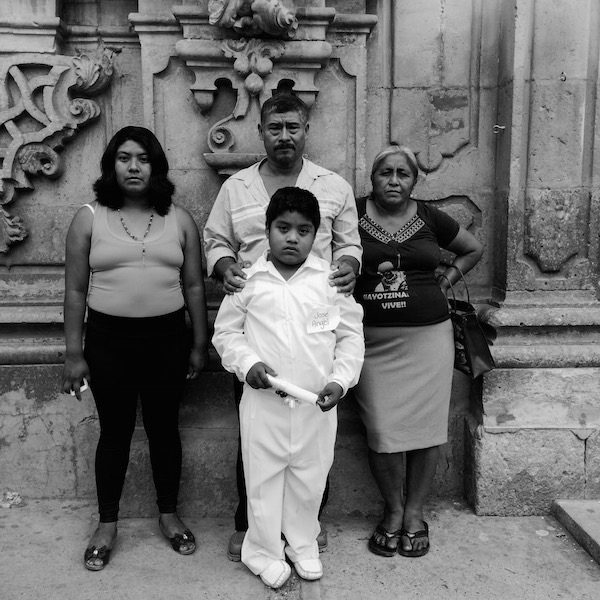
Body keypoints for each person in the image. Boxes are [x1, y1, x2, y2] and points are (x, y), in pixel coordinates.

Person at [203, 92, 362, 560]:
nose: (285, 136)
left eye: (293, 127)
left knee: (315, 439)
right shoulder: (236, 187)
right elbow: (215, 239)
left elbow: (350, 243)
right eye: (276, 128)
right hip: (260, 319)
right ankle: (251, 527)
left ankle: (305, 528)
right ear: (261, 131)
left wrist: (350, 265)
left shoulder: (333, 186)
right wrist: (225, 265)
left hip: (315, 317)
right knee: (255, 434)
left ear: (306, 129)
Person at [61, 126, 209, 571]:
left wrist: (200, 342)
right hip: (109, 342)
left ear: (156, 166)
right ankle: (107, 522)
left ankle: (168, 513)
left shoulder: (180, 219)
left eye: (143, 158)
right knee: (115, 433)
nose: (133, 166)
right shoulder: (88, 217)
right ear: (111, 166)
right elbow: (73, 290)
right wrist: (73, 353)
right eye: (124, 158)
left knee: (165, 430)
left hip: (168, 340)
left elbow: (196, 286)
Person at [353, 144, 483, 558]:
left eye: (402, 174)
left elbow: (473, 249)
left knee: (427, 430)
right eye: (385, 173)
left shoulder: (429, 217)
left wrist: (444, 281)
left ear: (414, 180)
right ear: (372, 179)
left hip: (430, 338)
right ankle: (391, 510)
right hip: (371, 342)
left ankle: (413, 514)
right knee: (381, 429)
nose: (393, 180)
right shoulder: (351, 213)